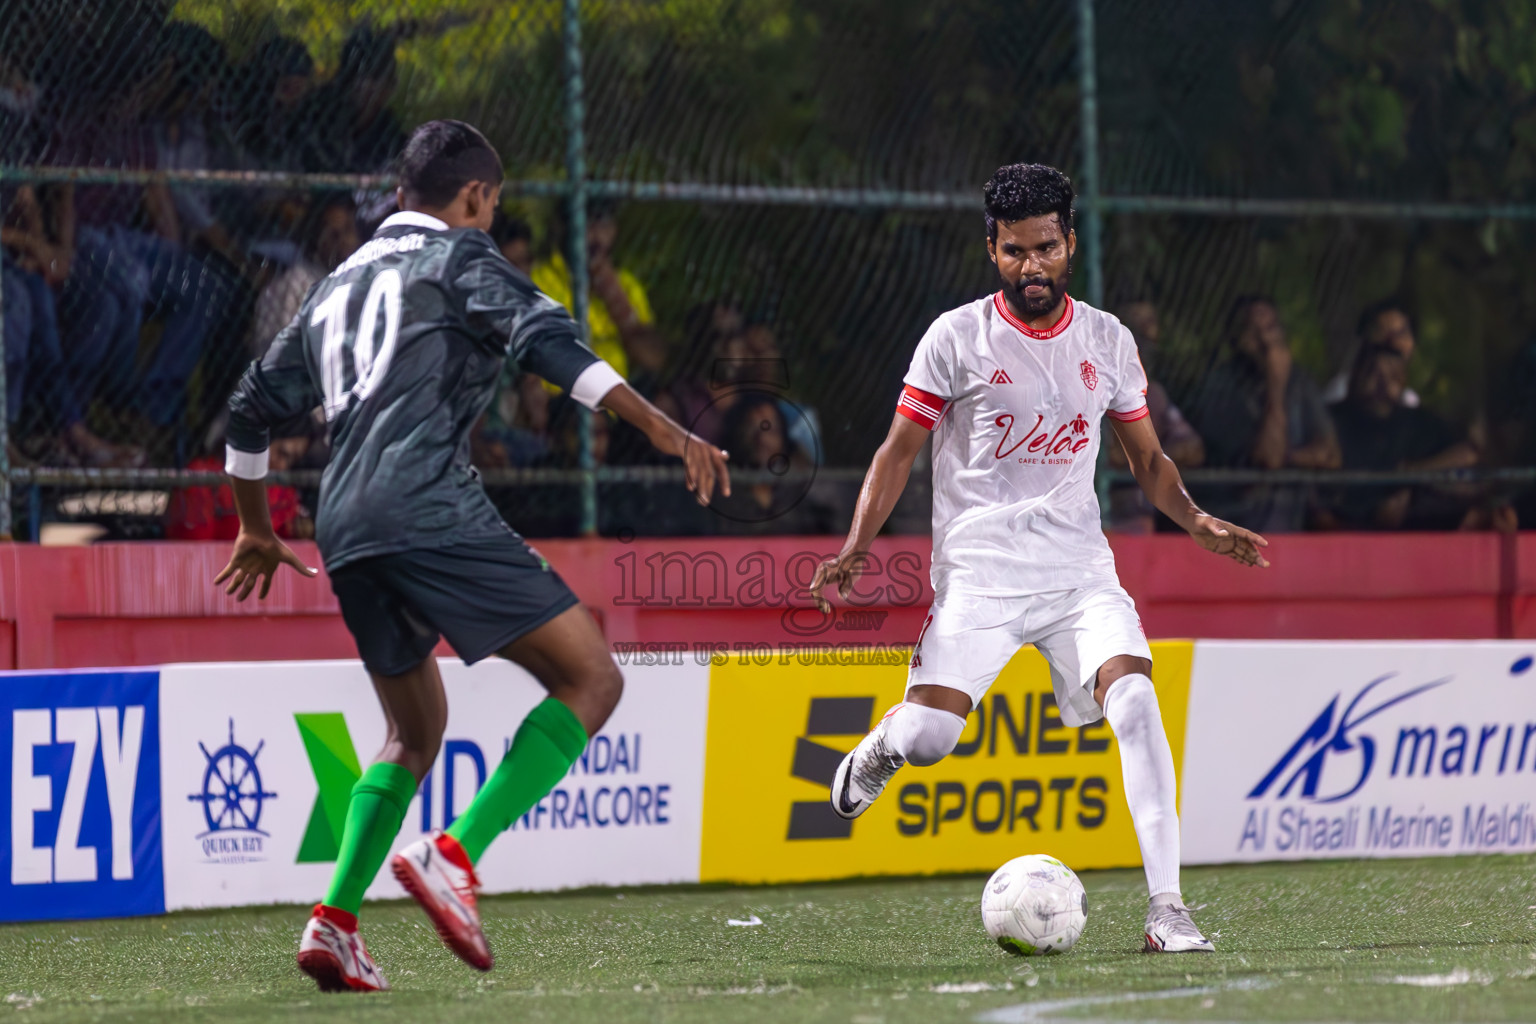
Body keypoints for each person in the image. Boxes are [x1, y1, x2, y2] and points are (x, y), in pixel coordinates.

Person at [214, 120, 729, 993]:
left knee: (412, 732)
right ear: (476, 198)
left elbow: (248, 409)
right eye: (491, 207)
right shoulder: (461, 257)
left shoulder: (334, 288)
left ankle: (334, 923)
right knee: (593, 679)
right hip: (426, 502)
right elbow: (553, 350)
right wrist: (665, 427)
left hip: (342, 522)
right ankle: (457, 855)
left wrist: (256, 526)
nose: (490, 220)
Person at [810, 163, 1268, 955]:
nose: (1033, 267)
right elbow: (896, 453)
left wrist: (1192, 518)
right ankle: (885, 744)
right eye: (1016, 251)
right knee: (930, 741)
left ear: (1070, 244)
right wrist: (856, 547)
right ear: (992, 248)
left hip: (1079, 576)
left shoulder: (1107, 340)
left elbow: (1146, 459)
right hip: (980, 578)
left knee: (1135, 704)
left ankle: (1168, 910)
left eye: (1047, 248)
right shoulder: (954, 338)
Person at [1186, 296, 1340, 531]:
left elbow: (1330, 456)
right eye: (1252, 331)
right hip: (1236, 523)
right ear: (1234, 339)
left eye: (1270, 329)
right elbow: (1269, 458)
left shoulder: (1300, 381)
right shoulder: (1219, 387)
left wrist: (1288, 458)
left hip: (1291, 523)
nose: (1265, 341)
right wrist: (1276, 386)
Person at [1323, 346, 1477, 530]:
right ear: (1355, 375)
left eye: (1392, 375)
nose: (1382, 383)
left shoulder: (1422, 423)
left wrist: (1412, 472)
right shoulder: (1331, 421)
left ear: (1404, 380)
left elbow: (1468, 453)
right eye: (1372, 372)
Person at [531, 200, 667, 384]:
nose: (596, 236)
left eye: (604, 224)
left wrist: (614, 297)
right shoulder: (540, 279)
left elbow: (654, 360)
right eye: (587, 224)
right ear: (564, 227)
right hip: (564, 399)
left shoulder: (626, 285)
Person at [1108, 301, 1203, 531]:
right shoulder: (1091, 385)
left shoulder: (1154, 394)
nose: (1145, 339)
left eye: (1149, 327)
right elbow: (1111, 456)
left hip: (1139, 519)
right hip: (1094, 515)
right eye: (1135, 329)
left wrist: (1146, 456)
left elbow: (1193, 449)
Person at [1322, 300, 1421, 408]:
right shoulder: (1341, 390)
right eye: (1383, 332)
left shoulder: (1411, 402)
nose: (1392, 341)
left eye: (1400, 333)